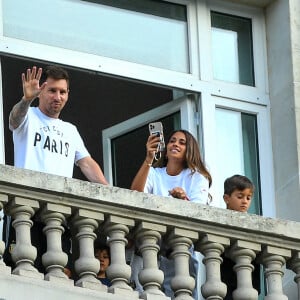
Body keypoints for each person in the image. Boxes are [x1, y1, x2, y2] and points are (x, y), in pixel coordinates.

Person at [4, 65, 109, 273]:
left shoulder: (70, 130)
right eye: (52, 90)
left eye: (62, 92)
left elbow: (86, 163)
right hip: (27, 211)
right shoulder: (29, 116)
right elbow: (14, 120)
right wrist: (26, 99)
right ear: (41, 90)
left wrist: (110, 191)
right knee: (23, 270)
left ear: (68, 95)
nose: (57, 96)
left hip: (59, 215)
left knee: (59, 273)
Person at [131, 129, 212, 298]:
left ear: (190, 150)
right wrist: (148, 159)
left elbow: (198, 213)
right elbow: (136, 194)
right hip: (151, 245)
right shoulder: (154, 173)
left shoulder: (196, 178)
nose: (175, 144)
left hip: (179, 249)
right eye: (172, 140)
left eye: (182, 143)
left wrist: (184, 200)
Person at [221, 174, 261, 299]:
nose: (245, 201)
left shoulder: (254, 224)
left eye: (248, 198)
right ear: (226, 198)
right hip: (227, 278)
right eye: (240, 196)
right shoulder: (221, 220)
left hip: (249, 280)